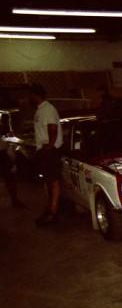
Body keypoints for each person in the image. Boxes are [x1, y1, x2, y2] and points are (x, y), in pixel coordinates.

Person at [30, 83, 63, 226]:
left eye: (30, 95)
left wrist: (49, 147)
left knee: (53, 182)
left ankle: (53, 213)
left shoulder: (48, 109)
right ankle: (50, 209)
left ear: (35, 95)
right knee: (49, 182)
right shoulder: (41, 110)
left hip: (49, 150)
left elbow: (53, 129)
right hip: (45, 150)